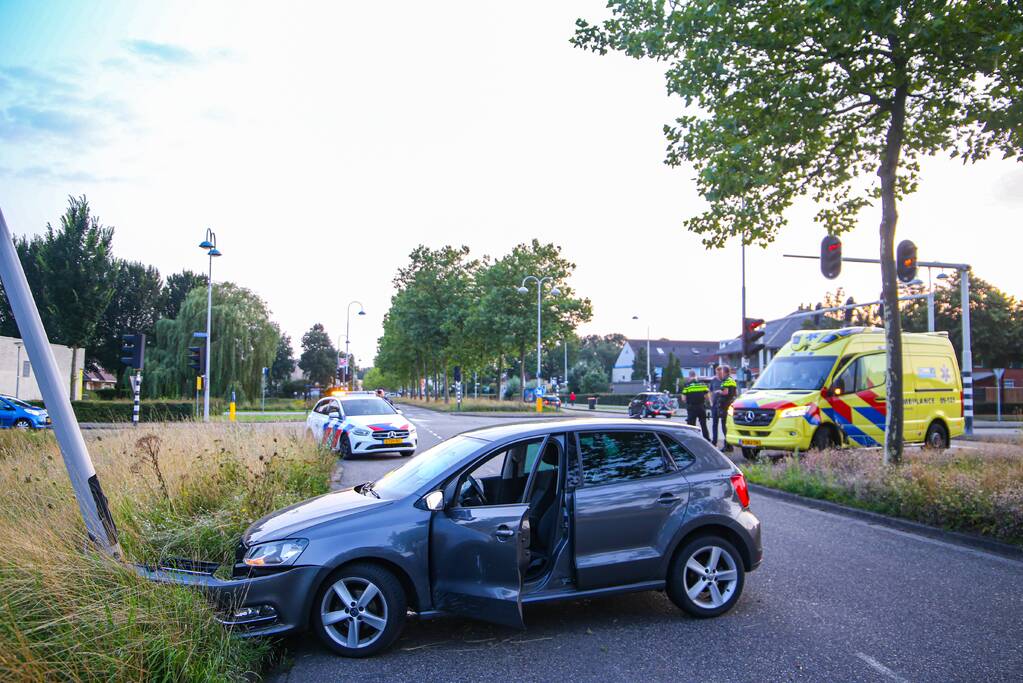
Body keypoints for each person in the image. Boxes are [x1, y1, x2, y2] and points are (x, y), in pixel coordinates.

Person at [710, 365, 738, 451]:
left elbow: (725, 392)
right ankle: (728, 445)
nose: (720, 373)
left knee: (724, 426)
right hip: (726, 404)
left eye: (721, 371)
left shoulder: (726, 380)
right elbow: (735, 393)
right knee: (726, 426)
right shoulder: (732, 380)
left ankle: (727, 446)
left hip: (724, 405)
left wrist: (719, 391)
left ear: (724, 372)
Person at [681, 371, 710, 440]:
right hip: (701, 407)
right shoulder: (702, 384)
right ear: (695, 375)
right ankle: (707, 439)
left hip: (692, 407)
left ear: (689, 376)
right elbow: (707, 397)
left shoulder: (687, 385)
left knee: (691, 426)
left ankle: (692, 439)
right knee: (703, 425)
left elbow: (683, 399)